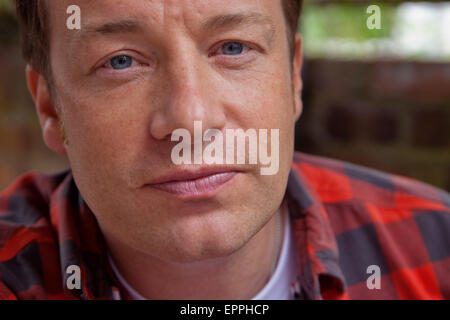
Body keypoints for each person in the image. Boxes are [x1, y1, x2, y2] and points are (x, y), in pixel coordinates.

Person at [0, 0, 449, 300]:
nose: (190, 120)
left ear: (293, 77)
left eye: (234, 47)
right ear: (50, 107)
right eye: (120, 61)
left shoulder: (434, 244)